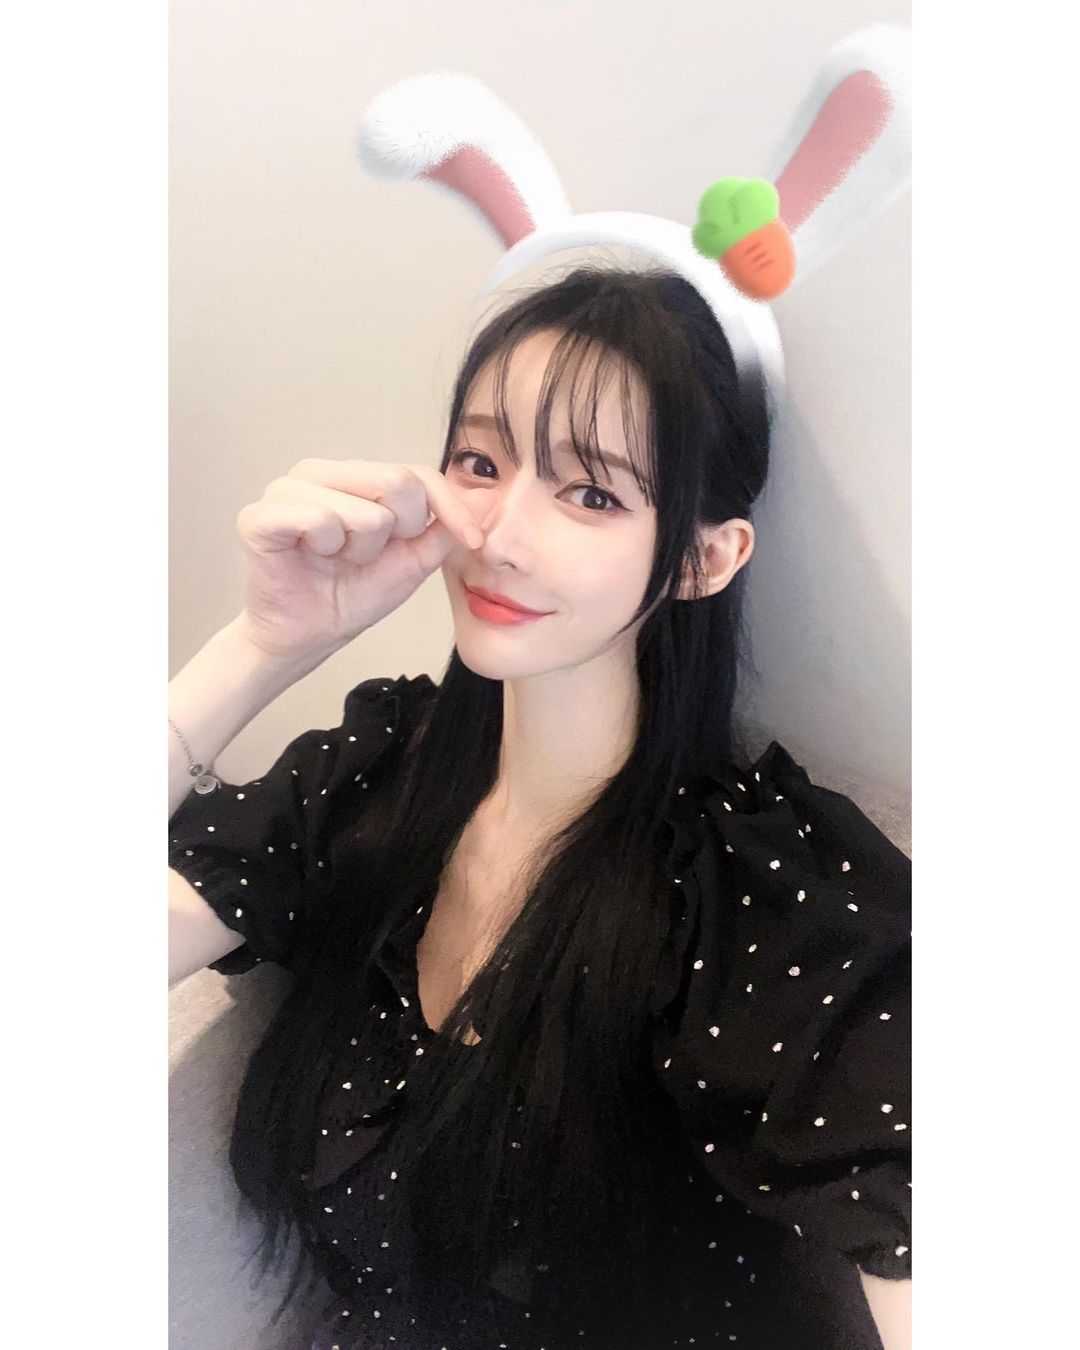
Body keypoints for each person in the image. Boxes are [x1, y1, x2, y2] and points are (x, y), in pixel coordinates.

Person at [169, 264, 911, 1350]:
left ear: (705, 558)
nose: (499, 534)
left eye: (592, 493)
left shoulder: (751, 898)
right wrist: (263, 646)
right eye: (481, 462)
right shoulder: (380, 771)